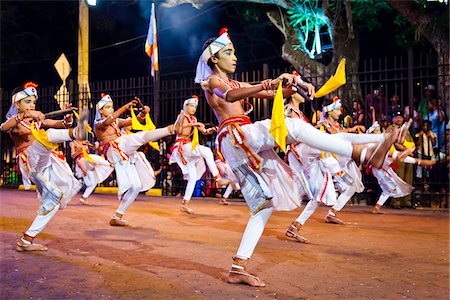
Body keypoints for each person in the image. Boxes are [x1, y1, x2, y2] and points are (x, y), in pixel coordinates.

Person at [195, 28, 401, 287]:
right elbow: (232, 95)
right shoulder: (211, 82)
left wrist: (295, 85)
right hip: (235, 135)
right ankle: (365, 155)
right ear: (214, 59)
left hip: (241, 141)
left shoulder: (237, 82)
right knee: (295, 128)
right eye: (228, 52)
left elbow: (272, 93)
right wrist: (270, 82)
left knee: (263, 208)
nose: (234, 57)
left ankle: (238, 267)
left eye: (234, 52)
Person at [0, 82, 86, 251]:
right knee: (47, 136)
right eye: (27, 102)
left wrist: (67, 120)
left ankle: (26, 240)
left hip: (43, 162)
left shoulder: (35, 119)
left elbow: (56, 123)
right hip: (30, 159)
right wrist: (24, 115)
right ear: (17, 104)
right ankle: (75, 134)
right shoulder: (14, 121)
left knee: (53, 200)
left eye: (33, 102)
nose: (31, 105)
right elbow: (3, 128)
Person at [94, 94, 174, 226]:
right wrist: (125, 107)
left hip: (122, 151)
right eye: (107, 107)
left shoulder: (116, 121)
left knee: (136, 186)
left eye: (112, 106)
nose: (111, 109)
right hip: (114, 149)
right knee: (138, 138)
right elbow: (107, 122)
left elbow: (132, 121)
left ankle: (117, 215)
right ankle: (169, 130)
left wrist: (143, 114)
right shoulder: (98, 123)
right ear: (100, 110)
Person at [169, 95, 231, 213]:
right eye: (191, 106)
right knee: (207, 151)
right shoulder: (182, 115)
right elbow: (179, 130)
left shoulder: (194, 119)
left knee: (193, 177)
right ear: (186, 106)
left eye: (195, 107)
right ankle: (218, 178)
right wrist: (194, 125)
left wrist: (210, 130)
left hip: (188, 148)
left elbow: (203, 131)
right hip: (181, 146)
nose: (193, 109)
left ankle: (185, 204)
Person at [71, 139, 114, 205]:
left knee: (93, 184)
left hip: (88, 161)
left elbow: (94, 147)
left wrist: (95, 145)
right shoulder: (73, 143)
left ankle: (83, 198)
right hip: (81, 161)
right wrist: (79, 151)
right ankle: (109, 164)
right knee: (96, 159)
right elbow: (73, 156)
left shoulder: (85, 141)